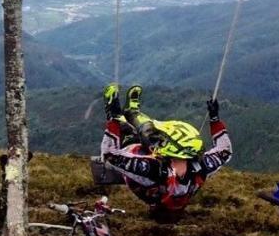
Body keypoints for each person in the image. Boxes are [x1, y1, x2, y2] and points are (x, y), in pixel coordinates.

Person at [93, 83, 232, 223]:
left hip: (137, 170)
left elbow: (110, 155)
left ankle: (129, 114)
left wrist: (113, 117)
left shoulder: (154, 171)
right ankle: (131, 112)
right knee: (148, 136)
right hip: (164, 190)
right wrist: (215, 119)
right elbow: (225, 151)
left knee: (130, 133)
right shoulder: (199, 167)